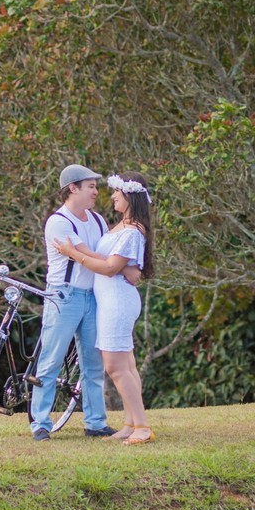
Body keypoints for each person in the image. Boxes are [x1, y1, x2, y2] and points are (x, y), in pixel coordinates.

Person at [30, 163, 142, 442]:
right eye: (91, 186)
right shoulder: (59, 221)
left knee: (93, 363)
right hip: (64, 296)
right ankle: (41, 423)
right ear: (73, 188)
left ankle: (95, 422)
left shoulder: (98, 220)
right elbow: (87, 253)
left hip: (93, 297)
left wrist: (120, 266)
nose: (96, 191)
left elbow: (107, 252)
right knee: (51, 360)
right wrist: (121, 268)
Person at [54, 172, 155, 445]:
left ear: (129, 196)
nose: (111, 197)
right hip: (110, 300)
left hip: (118, 301)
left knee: (115, 367)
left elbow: (110, 268)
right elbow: (110, 260)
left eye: (116, 193)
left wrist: (73, 254)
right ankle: (131, 423)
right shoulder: (122, 226)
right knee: (126, 365)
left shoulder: (134, 230)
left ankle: (143, 427)